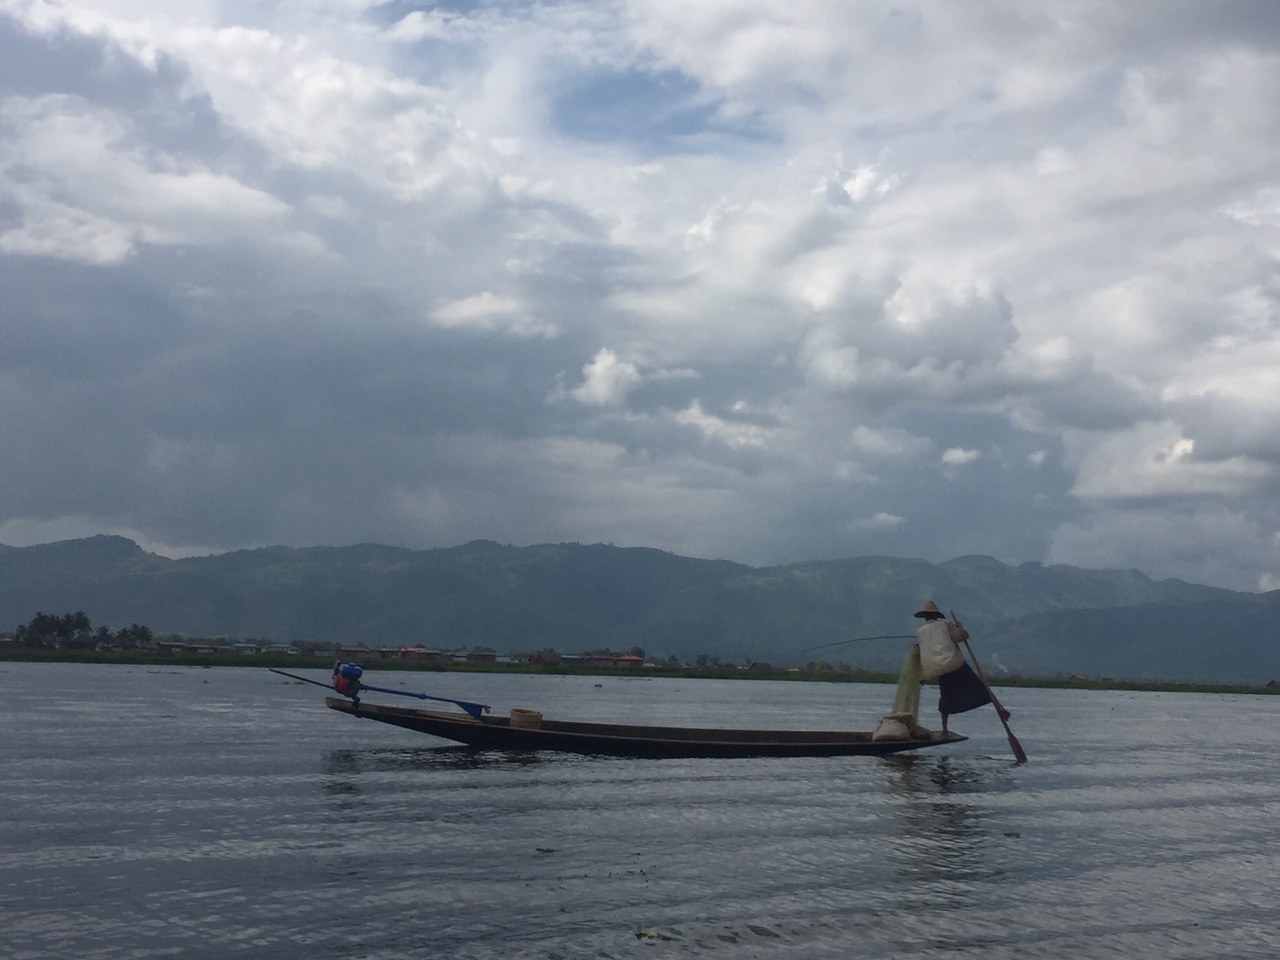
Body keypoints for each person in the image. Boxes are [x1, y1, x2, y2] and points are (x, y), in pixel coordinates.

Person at [889, 600, 1009, 736]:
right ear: (936, 615)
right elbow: (961, 637)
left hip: (938, 669)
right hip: (954, 664)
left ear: (924, 617)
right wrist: (960, 628)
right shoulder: (945, 624)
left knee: (945, 698)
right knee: (980, 687)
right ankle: (1000, 708)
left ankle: (944, 729)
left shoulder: (920, 631)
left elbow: (925, 651)